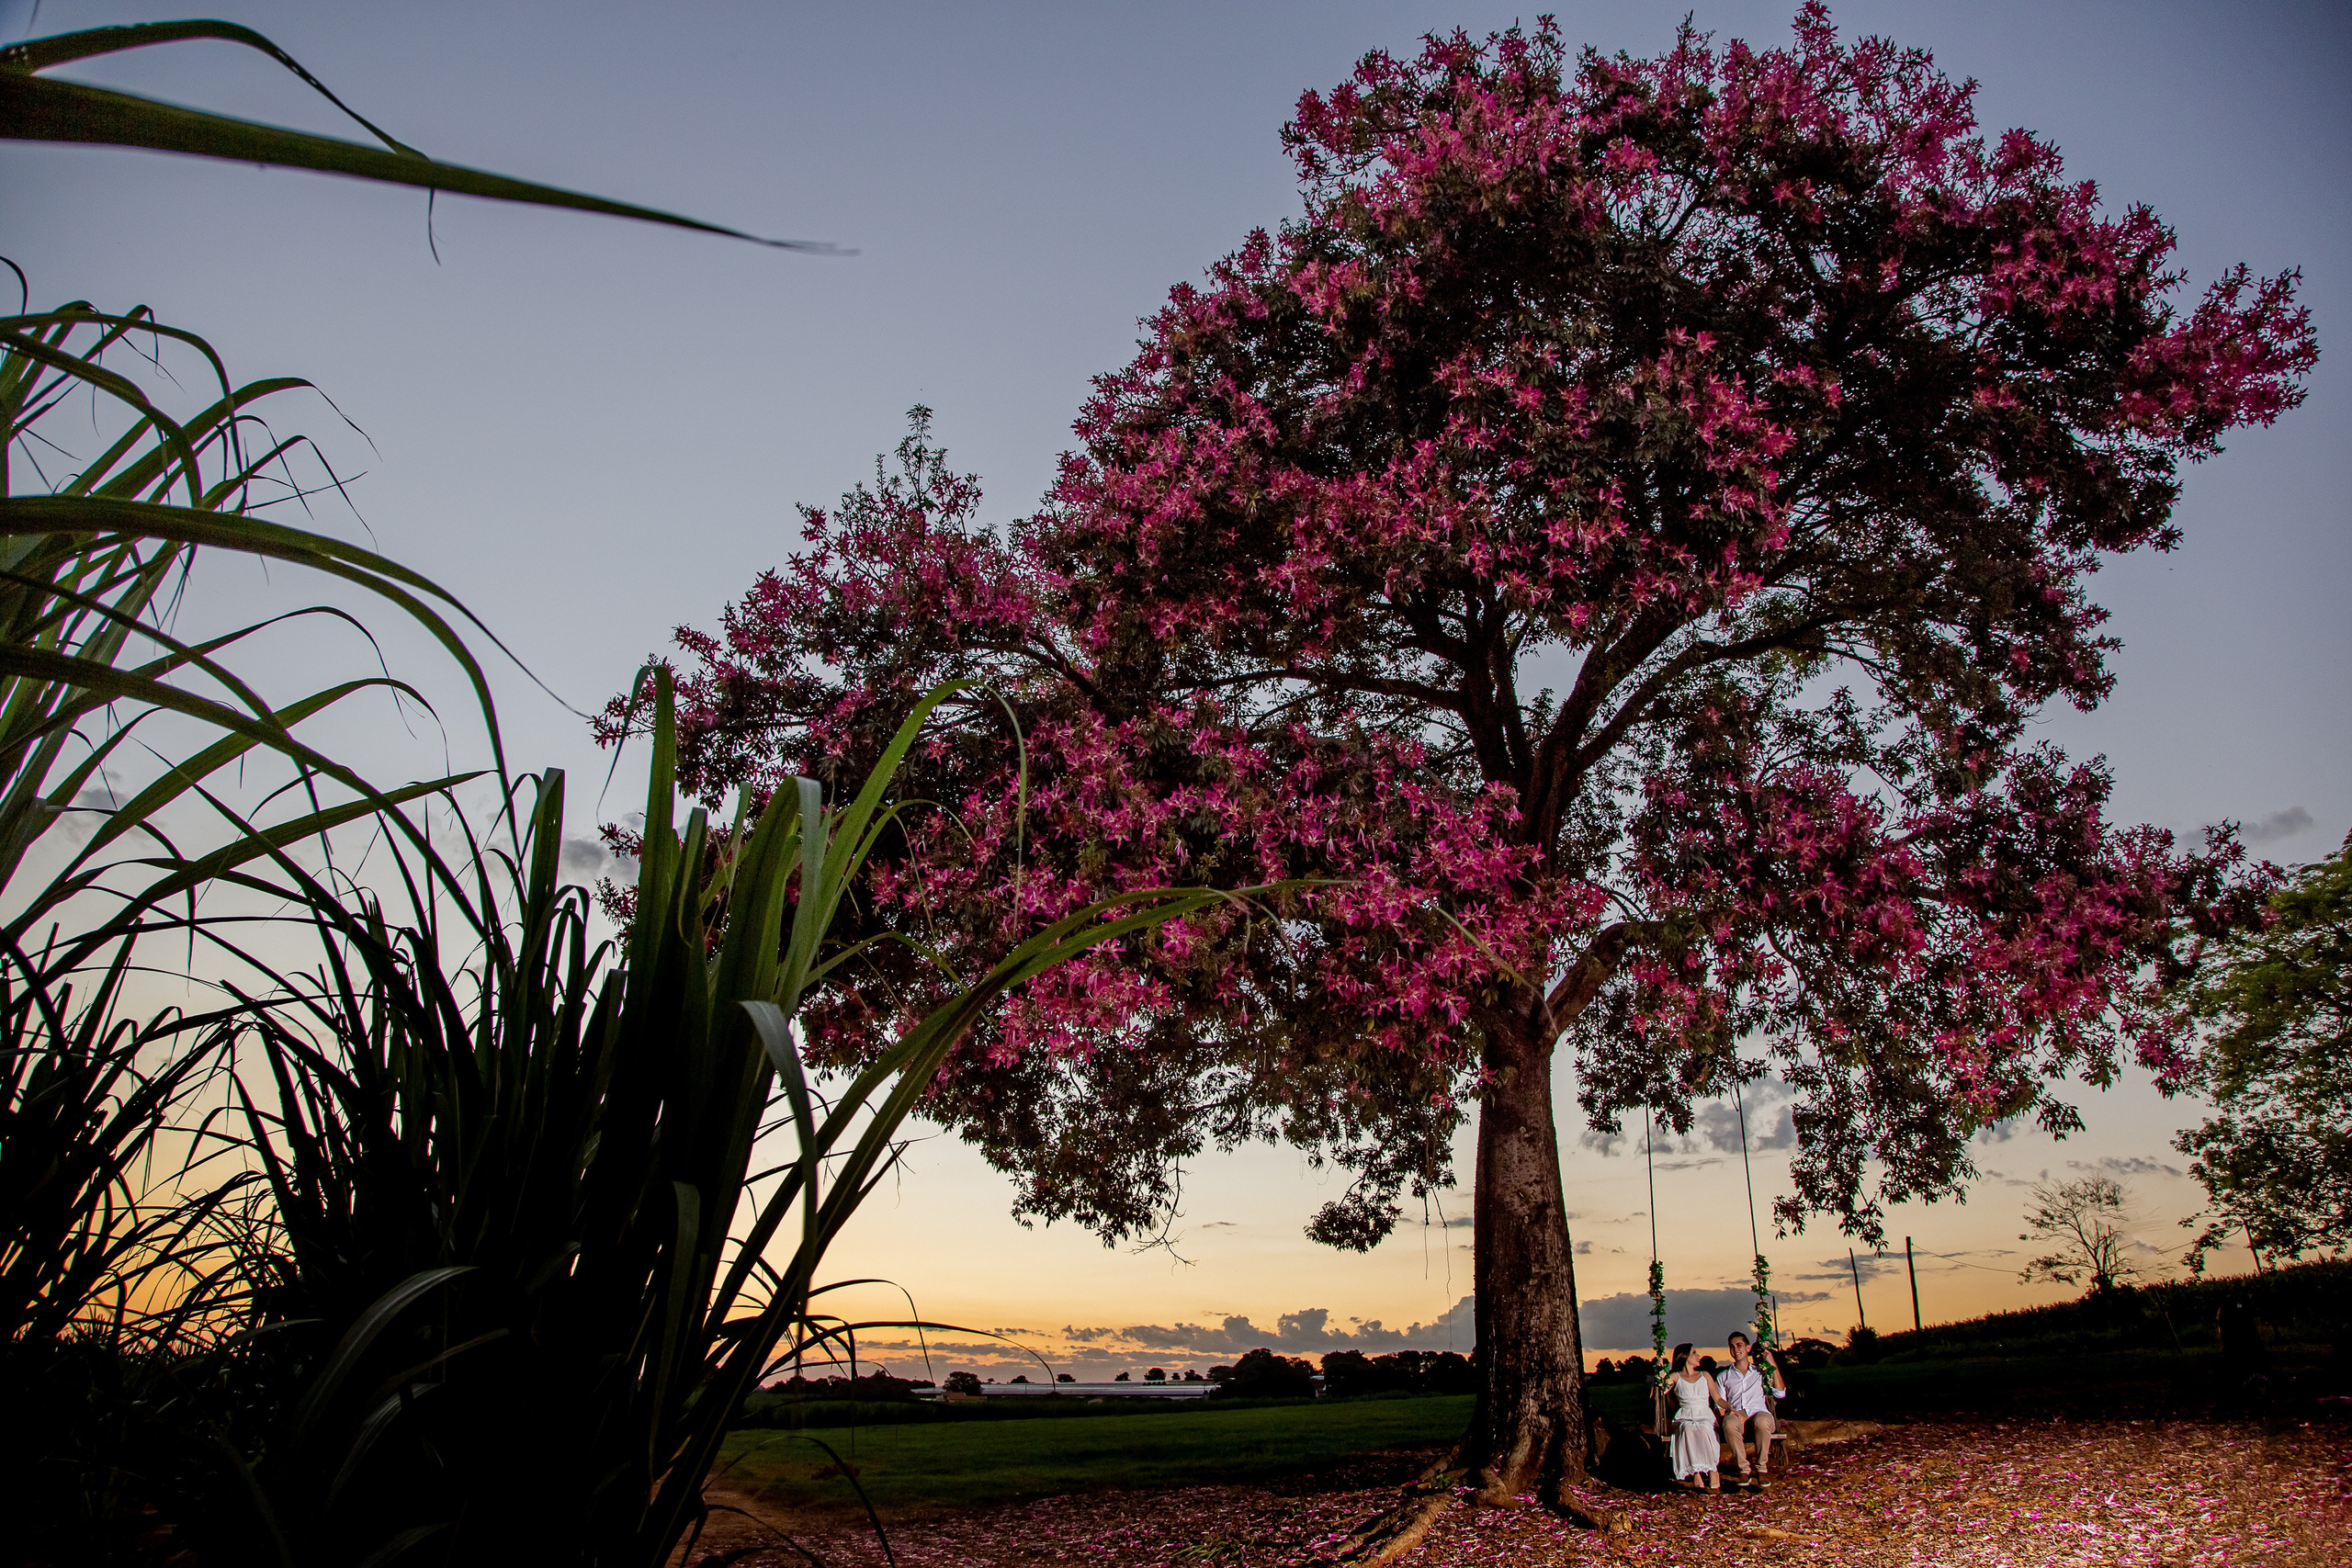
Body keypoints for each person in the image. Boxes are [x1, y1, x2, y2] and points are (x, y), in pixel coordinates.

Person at [1715, 1330, 1784, 1487]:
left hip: (1757, 1413)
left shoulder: (1761, 1372)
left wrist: (1772, 1363)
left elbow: (1780, 1393)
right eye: (1731, 1347)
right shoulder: (1724, 1376)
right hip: (1737, 1414)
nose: (1736, 1350)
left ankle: (1761, 1468)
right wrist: (1723, 1422)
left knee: (1763, 1420)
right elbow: (1720, 1404)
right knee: (1730, 1423)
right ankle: (1743, 1469)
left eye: (1739, 1345)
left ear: (1747, 1348)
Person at [1667, 1341, 1725, 1493]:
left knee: (1704, 1428)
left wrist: (1731, 1409)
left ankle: (1712, 1469)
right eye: (1694, 1353)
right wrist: (1660, 1375)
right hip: (1685, 1414)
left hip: (1703, 1413)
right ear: (1684, 1356)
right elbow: (1659, 1391)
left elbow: (1717, 1398)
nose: (1698, 1356)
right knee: (1688, 1429)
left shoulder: (1704, 1375)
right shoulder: (1676, 1376)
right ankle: (1696, 1473)